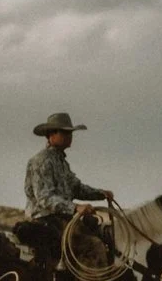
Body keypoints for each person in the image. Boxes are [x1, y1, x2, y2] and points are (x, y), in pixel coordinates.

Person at [17, 111, 112, 269]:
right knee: (92, 246)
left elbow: (76, 188)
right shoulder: (42, 161)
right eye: (64, 132)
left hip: (62, 219)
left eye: (70, 133)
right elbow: (45, 197)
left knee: (104, 234)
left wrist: (100, 194)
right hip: (46, 219)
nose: (69, 136)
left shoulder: (61, 162)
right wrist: (75, 207)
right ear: (51, 135)